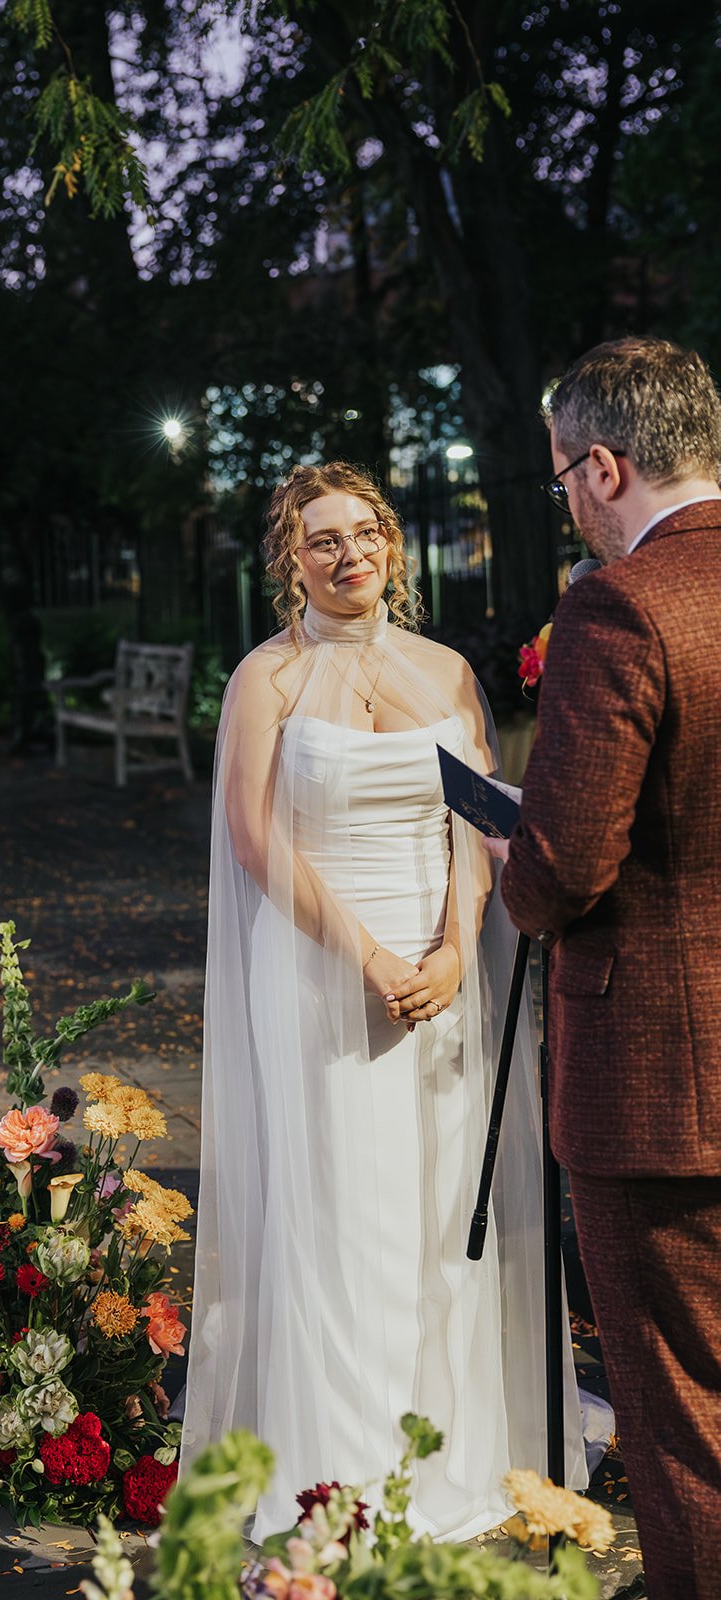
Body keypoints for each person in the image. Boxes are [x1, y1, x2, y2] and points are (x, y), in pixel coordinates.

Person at [181, 460, 586, 1541]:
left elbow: (481, 823)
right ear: (291, 560)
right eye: (322, 539)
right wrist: (363, 953)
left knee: (438, 1205)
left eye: (364, 533)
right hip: (318, 968)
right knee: (340, 1208)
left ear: (390, 546)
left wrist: (458, 947)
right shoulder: (262, 680)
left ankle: (446, 1447)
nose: (347, 552)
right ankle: (342, 1470)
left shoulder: (449, 673)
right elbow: (255, 839)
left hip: (442, 964)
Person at [495, 336, 721, 1600]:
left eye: (560, 480)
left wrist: (507, 867)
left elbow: (570, 858)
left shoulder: (619, 603)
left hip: (663, 1088)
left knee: (682, 1412)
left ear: (601, 463)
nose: (568, 504)